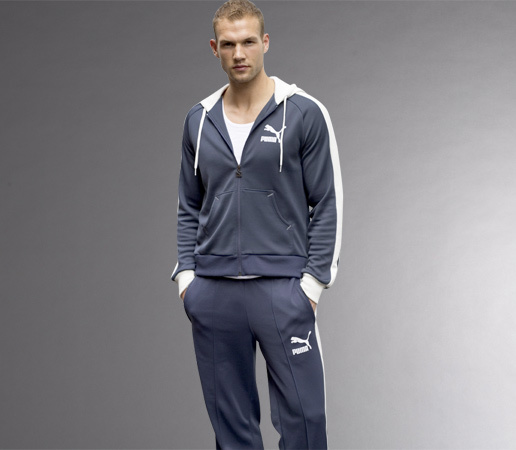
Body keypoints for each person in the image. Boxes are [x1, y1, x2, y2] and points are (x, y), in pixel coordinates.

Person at [171, 0, 342, 448]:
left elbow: (327, 202)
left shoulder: (302, 112)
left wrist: (312, 285)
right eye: (228, 45)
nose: (239, 53)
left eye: (248, 42)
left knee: (305, 422)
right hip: (213, 291)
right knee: (232, 431)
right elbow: (189, 205)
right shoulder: (199, 119)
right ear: (215, 49)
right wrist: (187, 278)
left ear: (265, 43)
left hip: (282, 288)